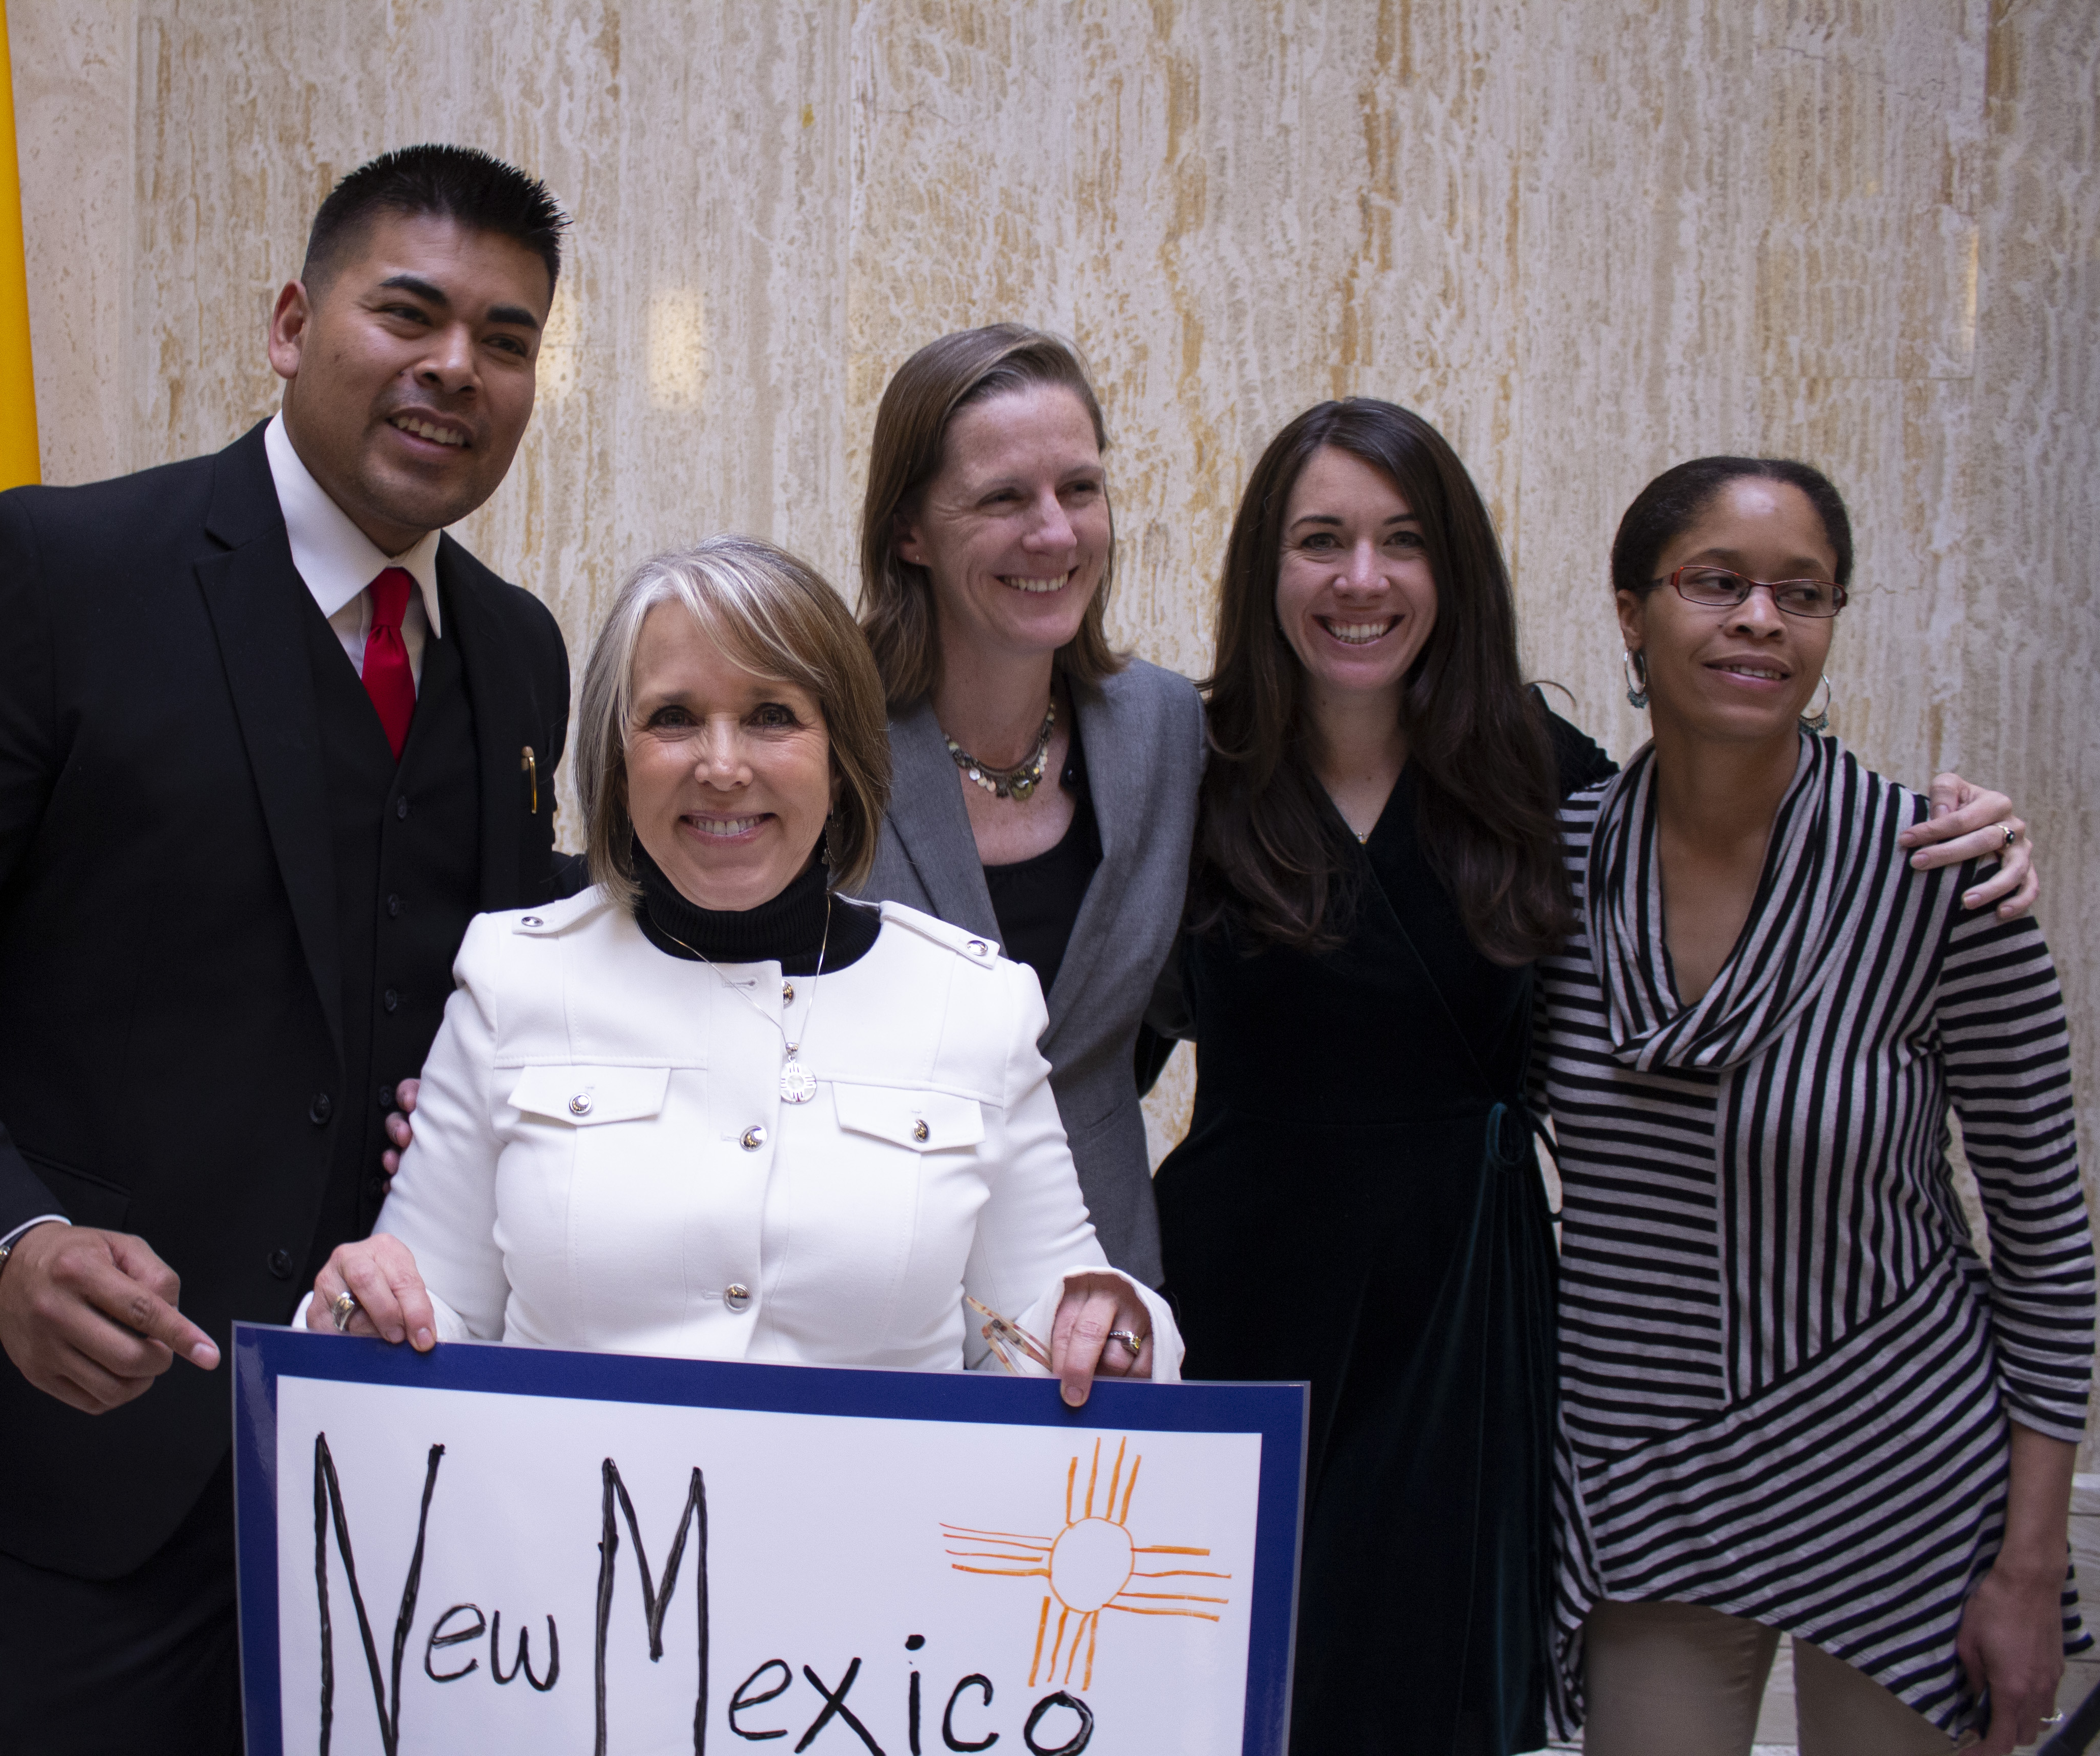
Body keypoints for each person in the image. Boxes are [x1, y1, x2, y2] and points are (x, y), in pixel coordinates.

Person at [0, 146, 574, 1753]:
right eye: (406, 311)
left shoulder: (524, 650)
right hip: (93, 1449)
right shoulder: (57, 575)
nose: (453, 369)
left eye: (507, 338)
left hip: (402, 1466)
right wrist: (6, 1247)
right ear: (289, 321)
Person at [1148, 400, 2041, 1756]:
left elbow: (2033, 1221)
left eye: (1402, 541)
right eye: (1318, 541)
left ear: (1456, 571)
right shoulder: (1186, 773)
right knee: (1208, 1705)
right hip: (1247, 1306)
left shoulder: (1532, 783)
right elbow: (1080, 1041)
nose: (1362, 579)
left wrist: (1977, 834)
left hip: (1473, 1321)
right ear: (1263, 570)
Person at [307, 535, 1177, 1405]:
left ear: (840, 760)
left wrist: (1117, 1333)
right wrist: (365, 1305)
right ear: (619, 760)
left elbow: (1040, 1334)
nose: (722, 767)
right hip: (585, 1536)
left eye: (772, 716)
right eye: (674, 717)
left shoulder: (975, 1002)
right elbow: (434, 1318)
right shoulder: (514, 980)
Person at [1539, 457, 2092, 1756]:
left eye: (1805, 594)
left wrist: (2028, 1566)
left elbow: (2047, 1245)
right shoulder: (1548, 868)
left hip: (1905, 1480)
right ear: (1632, 612)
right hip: (1649, 1477)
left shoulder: (1942, 881)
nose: (1761, 621)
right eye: (1715, 584)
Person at [854, 325, 1206, 1285]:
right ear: (909, 531)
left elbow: (1173, 998)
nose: (1055, 533)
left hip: (1104, 1285)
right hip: (870, 1286)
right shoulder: (825, 741)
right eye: (1004, 497)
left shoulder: (1169, 729)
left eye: (1079, 489)